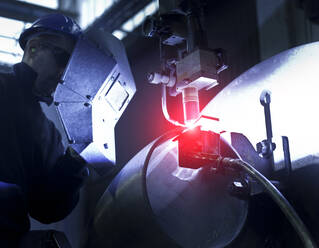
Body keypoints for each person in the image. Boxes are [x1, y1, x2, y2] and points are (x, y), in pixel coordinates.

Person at [0, 14, 88, 247]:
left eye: (70, 67)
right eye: (62, 59)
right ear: (33, 48)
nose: (63, 73)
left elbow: (46, 208)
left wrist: (75, 160)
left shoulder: (48, 133)